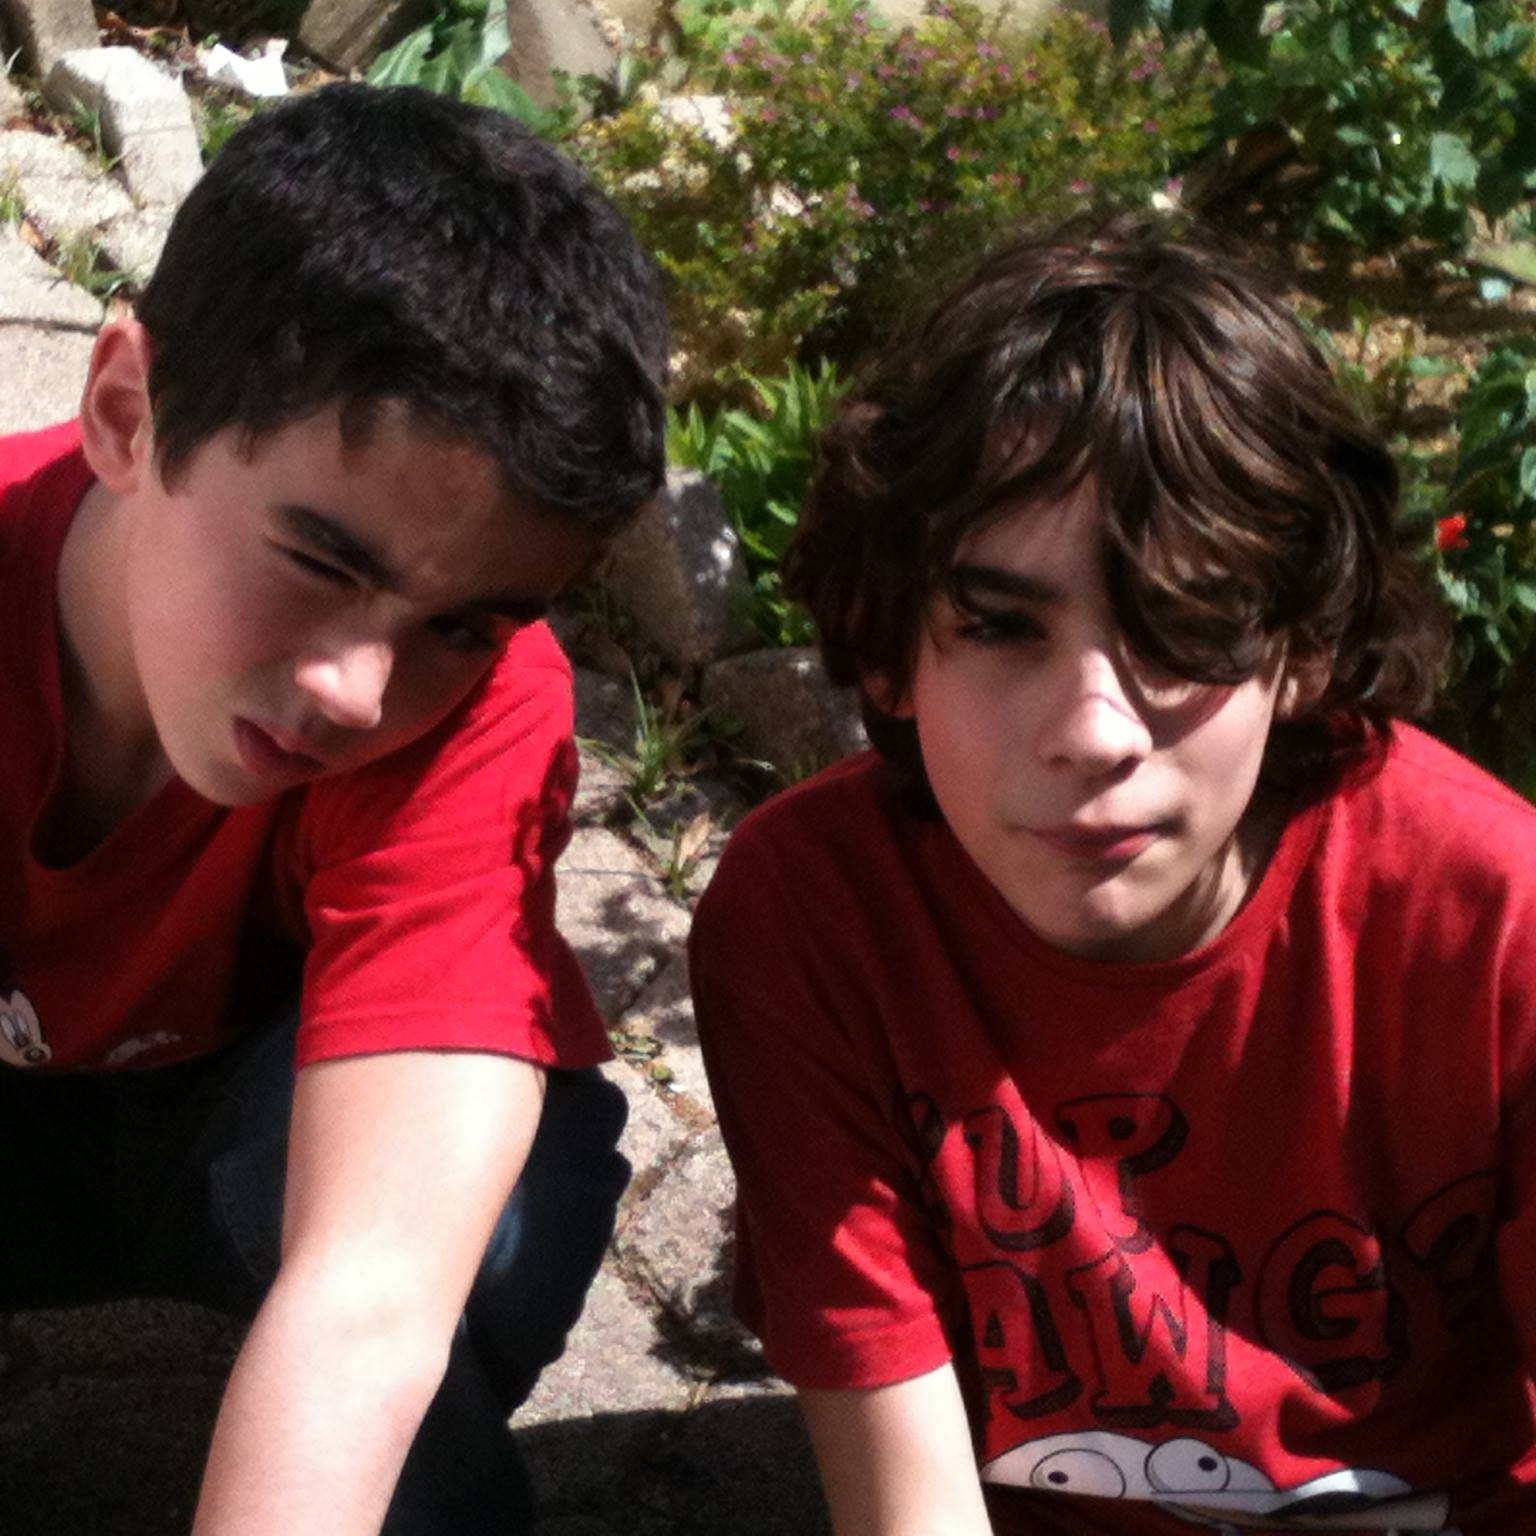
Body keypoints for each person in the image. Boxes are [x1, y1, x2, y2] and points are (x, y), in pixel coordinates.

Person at [689, 224, 1536, 1535]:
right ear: (886, 650)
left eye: (1182, 627)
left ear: (1305, 648)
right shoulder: (813, 920)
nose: (1094, 731)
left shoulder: (1491, 916)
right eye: (998, 626)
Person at [0, 83, 667, 1533]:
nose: (360, 692)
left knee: (490, 1226)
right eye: (319, 561)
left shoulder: (486, 707)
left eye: (461, 622)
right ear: (127, 414)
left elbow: (375, 1289)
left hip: (248, 1115)